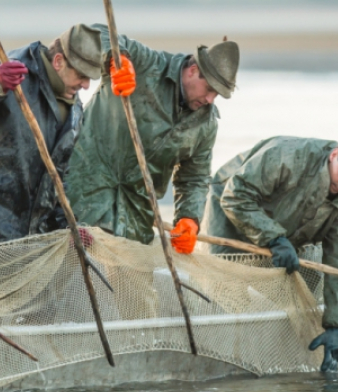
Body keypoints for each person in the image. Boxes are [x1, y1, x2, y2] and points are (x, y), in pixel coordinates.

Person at [0, 24, 102, 255]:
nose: (86, 85)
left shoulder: (74, 109)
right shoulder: (13, 71)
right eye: (82, 75)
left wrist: (68, 225)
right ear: (59, 61)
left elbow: (59, 178)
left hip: (24, 241)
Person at [66, 24, 240, 251]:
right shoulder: (147, 64)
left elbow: (194, 179)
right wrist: (116, 59)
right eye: (208, 88)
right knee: (69, 265)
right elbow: (97, 32)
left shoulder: (205, 125)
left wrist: (189, 219)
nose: (209, 99)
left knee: (131, 281)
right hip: (81, 185)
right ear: (193, 70)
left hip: (136, 211)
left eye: (216, 95)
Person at [201, 135, 338, 372]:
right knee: (226, 286)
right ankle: (218, 359)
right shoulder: (286, 155)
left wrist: (337, 327)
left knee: (304, 284)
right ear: (334, 155)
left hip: (288, 223)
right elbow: (235, 197)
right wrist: (273, 238)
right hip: (231, 204)